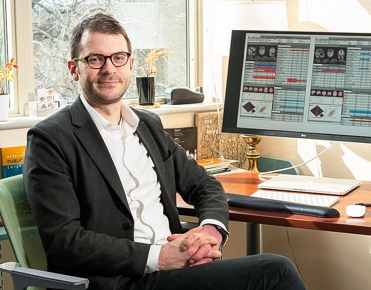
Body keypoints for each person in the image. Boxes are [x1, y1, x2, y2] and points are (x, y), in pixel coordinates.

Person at [23, 12, 306, 290]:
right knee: (276, 272)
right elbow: (64, 241)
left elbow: (204, 184)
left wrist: (209, 233)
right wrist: (159, 257)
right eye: (96, 59)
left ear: (131, 64)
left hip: (177, 269)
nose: (109, 69)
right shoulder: (50, 139)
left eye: (118, 58)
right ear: (75, 69)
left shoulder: (148, 125)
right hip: (120, 280)